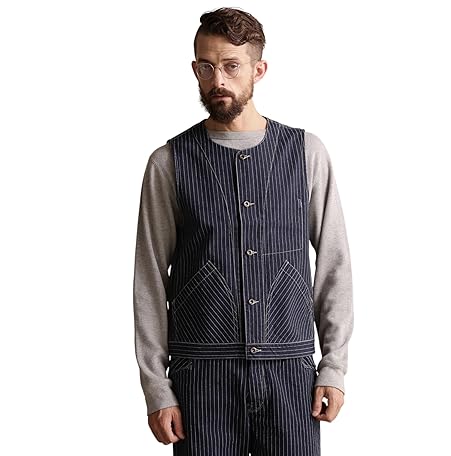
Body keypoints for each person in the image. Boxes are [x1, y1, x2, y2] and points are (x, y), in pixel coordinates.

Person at [133, 7, 354, 455]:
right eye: (206, 67)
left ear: (259, 69)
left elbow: (334, 265)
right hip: (201, 378)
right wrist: (157, 387)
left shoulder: (306, 153)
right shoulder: (168, 162)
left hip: (290, 375)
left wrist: (333, 366)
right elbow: (149, 280)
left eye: (231, 66)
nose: (217, 80)